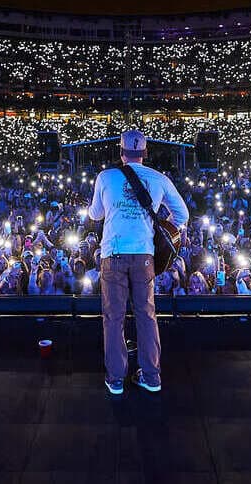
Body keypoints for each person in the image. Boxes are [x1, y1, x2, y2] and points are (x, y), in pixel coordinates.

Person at [88, 130, 189, 395]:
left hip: (113, 254)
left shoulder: (105, 177)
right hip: (144, 255)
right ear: (145, 153)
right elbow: (182, 214)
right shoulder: (159, 179)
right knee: (146, 315)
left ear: (120, 151)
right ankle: (152, 376)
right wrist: (166, 230)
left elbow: (96, 215)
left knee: (113, 318)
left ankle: (116, 379)